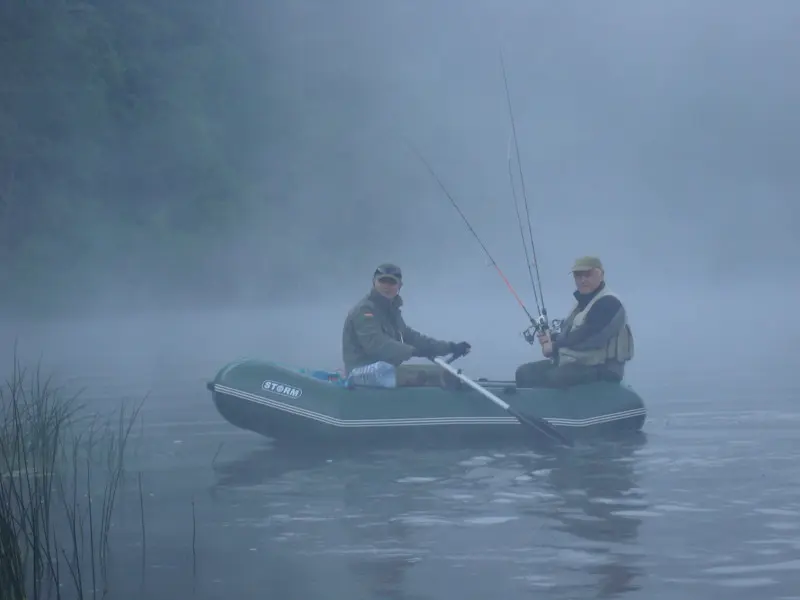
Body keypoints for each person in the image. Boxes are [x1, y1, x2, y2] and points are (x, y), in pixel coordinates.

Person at [342, 263, 471, 387]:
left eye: (391, 282)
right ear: (374, 282)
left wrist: (450, 347)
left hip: (385, 369)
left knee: (443, 372)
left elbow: (413, 338)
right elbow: (376, 345)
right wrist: (413, 351)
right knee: (424, 377)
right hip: (362, 372)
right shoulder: (365, 311)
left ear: (399, 286)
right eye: (382, 281)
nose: (386, 286)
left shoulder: (390, 311)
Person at [515, 256, 634, 389]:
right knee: (524, 373)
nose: (582, 280)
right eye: (578, 275)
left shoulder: (609, 303)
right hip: (576, 362)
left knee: (554, 378)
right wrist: (550, 338)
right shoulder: (582, 302)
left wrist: (553, 346)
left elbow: (590, 337)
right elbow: (570, 334)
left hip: (603, 368)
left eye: (588, 275)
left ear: (601, 275)